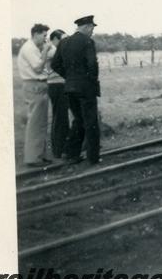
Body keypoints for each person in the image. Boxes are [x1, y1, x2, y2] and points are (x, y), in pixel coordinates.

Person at [51, 15, 101, 164]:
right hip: (86, 88)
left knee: (79, 120)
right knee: (91, 122)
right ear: (86, 27)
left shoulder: (64, 42)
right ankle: (93, 158)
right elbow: (92, 65)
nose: (92, 32)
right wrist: (90, 80)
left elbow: (55, 64)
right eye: (92, 28)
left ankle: (71, 153)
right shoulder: (88, 42)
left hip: (70, 87)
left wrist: (69, 77)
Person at [17, 23, 52, 166]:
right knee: (35, 122)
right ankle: (33, 158)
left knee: (40, 122)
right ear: (36, 34)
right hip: (34, 85)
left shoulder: (34, 48)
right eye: (44, 36)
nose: (45, 39)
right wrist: (45, 51)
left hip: (38, 86)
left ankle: (39, 155)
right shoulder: (29, 48)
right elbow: (38, 67)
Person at [45, 29, 70, 158]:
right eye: (61, 40)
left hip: (55, 85)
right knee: (61, 118)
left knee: (59, 117)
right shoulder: (52, 50)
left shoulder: (49, 49)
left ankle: (59, 148)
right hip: (57, 85)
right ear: (54, 39)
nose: (62, 42)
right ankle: (60, 149)